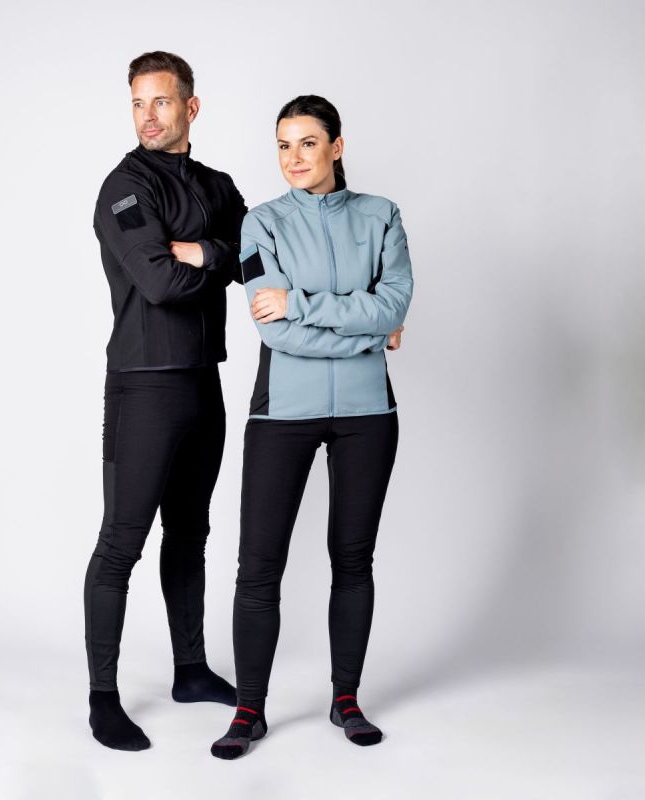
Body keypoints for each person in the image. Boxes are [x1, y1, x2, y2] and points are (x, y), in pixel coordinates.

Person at [210, 95, 412, 759]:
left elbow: (394, 303)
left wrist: (301, 302)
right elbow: (274, 330)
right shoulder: (261, 223)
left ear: (336, 146)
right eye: (283, 145)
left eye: (307, 143)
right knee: (258, 566)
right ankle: (249, 710)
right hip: (283, 415)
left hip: (367, 415)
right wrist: (368, 332)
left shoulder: (382, 216)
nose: (293, 158)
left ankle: (346, 699)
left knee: (353, 560)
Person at [84, 51, 247, 752]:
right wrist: (215, 261)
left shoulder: (218, 186)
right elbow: (157, 284)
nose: (147, 116)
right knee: (122, 542)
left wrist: (203, 253)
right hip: (144, 386)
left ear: (190, 106)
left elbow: (256, 257)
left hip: (203, 383)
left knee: (190, 533)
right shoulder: (125, 188)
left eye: (161, 101)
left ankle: (190, 670)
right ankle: (103, 699)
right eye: (137, 103)